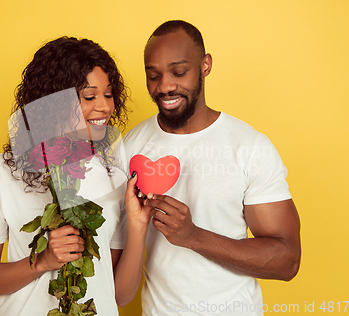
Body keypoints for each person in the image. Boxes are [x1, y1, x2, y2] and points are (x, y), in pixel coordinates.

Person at [123, 20, 301, 316]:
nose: (165, 86)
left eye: (179, 72)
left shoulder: (249, 147)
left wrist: (193, 236)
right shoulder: (132, 146)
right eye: (153, 76)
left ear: (205, 66)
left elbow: (287, 260)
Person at [0, 37, 149, 315]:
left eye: (109, 94)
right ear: (52, 103)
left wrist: (137, 225)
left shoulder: (114, 175)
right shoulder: (3, 172)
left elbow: (121, 295)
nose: (104, 107)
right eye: (89, 97)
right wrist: (42, 261)